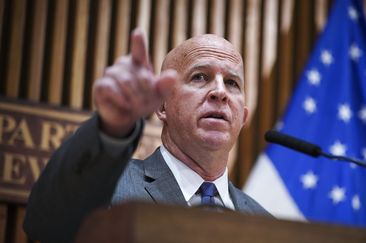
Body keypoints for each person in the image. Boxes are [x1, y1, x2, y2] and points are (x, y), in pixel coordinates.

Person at [23, 28, 271, 242]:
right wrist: (112, 128)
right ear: (162, 106)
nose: (220, 92)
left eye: (232, 83)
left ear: (243, 118)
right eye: (200, 77)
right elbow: (45, 223)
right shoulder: (108, 187)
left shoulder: (264, 222)